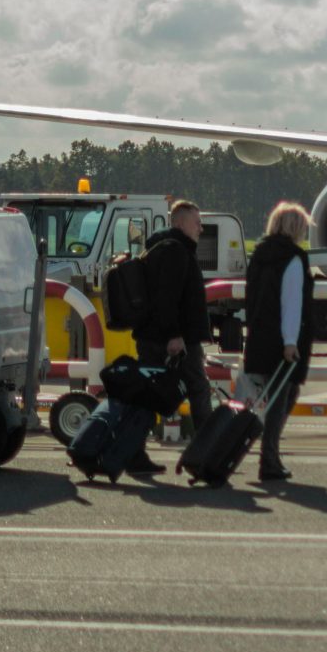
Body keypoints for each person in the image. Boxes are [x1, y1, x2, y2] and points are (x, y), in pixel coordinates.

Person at [135, 198, 216, 473]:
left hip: (154, 336)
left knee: (151, 393)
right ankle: (205, 453)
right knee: (198, 389)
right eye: (197, 222)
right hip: (176, 339)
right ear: (180, 223)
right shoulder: (176, 252)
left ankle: (135, 452)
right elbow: (167, 299)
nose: (201, 228)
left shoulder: (160, 248)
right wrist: (174, 335)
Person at [242, 199, 314, 483]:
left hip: (259, 336)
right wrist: (290, 341)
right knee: (281, 397)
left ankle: (263, 451)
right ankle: (269, 459)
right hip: (283, 340)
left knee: (275, 396)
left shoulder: (259, 255)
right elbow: (292, 304)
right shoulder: (293, 258)